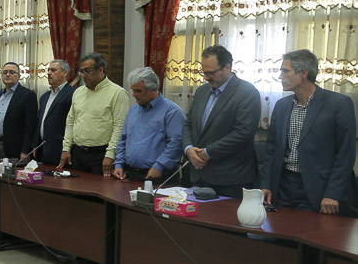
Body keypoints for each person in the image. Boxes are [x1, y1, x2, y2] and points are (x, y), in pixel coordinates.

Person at [262, 49, 356, 214]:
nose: (280, 76)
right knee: (278, 229)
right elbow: (271, 149)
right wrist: (266, 184)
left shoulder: (338, 104)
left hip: (318, 188)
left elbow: (345, 154)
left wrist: (333, 193)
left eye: (285, 71)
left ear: (304, 73)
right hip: (282, 186)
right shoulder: (282, 106)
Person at [182, 45, 261, 199]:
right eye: (204, 73)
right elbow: (188, 125)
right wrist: (189, 149)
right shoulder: (202, 92)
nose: (206, 78)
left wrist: (207, 152)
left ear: (227, 68)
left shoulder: (247, 93)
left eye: (211, 73)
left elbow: (243, 133)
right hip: (199, 176)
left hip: (230, 180)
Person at [58, 52, 129, 176]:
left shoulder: (117, 93)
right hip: (78, 153)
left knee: (97, 187)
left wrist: (110, 155)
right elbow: (70, 122)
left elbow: (120, 127)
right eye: (81, 71)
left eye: (88, 71)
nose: (83, 75)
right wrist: (66, 148)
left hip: (101, 154)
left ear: (100, 70)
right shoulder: (78, 92)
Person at [112, 66, 185, 183]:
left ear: (153, 90)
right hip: (131, 174)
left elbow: (176, 144)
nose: (134, 95)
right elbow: (123, 139)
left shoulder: (172, 112)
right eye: (133, 90)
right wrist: (119, 164)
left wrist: (159, 166)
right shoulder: (133, 110)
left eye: (138, 91)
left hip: (160, 175)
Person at [0, 62, 38, 160]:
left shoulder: (28, 95)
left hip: (15, 147)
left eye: (12, 72)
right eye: (5, 72)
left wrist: (25, 150)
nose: (8, 75)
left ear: (19, 76)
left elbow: (30, 126)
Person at [37, 59, 75, 166]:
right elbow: (40, 122)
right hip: (42, 149)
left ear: (64, 73)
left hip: (60, 150)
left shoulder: (72, 94)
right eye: (48, 70)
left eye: (53, 70)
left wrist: (67, 149)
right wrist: (35, 144)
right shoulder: (44, 97)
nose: (49, 73)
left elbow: (72, 124)